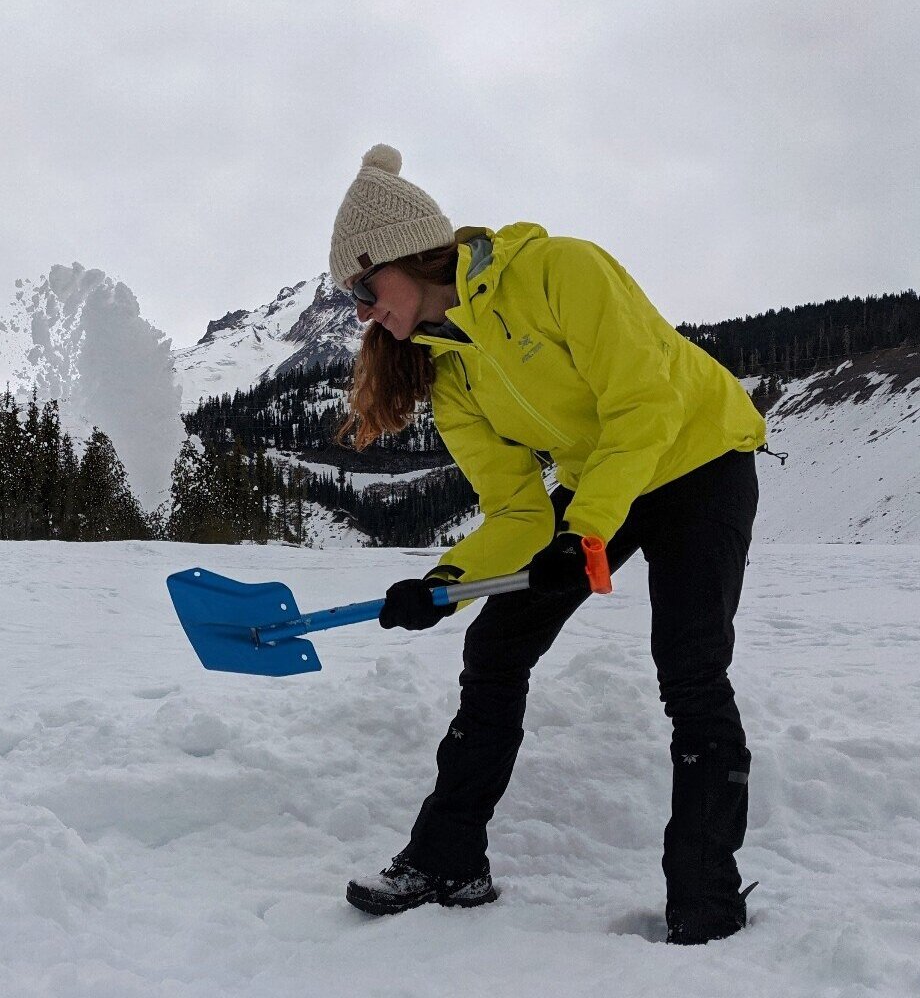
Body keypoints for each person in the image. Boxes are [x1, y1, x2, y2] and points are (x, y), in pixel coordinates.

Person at [328, 144, 768, 945]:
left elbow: (646, 403)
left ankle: (708, 898)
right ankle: (449, 859)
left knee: (690, 665)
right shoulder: (450, 372)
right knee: (496, 646)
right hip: (606, 476)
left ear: (408, 253)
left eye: (363, 287)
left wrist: (587, 530)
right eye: (349, 298)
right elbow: (516, 511)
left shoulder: (560, 271)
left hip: (701, 455)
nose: (361, 310)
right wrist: (442, 580)